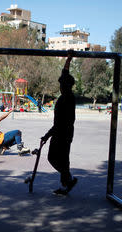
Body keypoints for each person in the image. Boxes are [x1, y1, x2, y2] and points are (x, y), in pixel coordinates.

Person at [41, 53, 78, 195]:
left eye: (62, 84)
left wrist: (47, 135)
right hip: (62, 132)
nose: (60, 85)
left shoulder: (67, 99)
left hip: (63, 133)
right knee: (62, 160)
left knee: (56, 158)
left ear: (66, 85)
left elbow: (60, 123)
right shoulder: (66, 96)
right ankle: (66, 184)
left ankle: (68, 180)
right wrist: (68, 59)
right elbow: (65, 73)